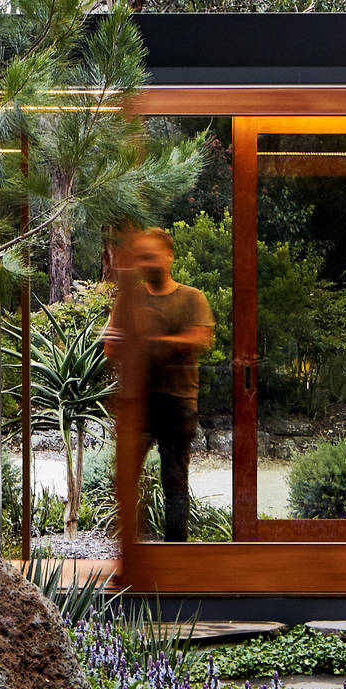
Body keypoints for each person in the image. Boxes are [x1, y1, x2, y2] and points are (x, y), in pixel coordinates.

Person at [103, 228, 216, 541]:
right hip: (137, 402)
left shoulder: (192, 298)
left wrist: (147, 341)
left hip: (177, 402)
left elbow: (198, 339)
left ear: (170, 256)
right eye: (142, 257)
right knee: (125, 481)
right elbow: (112, 348)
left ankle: (175, 559)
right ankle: (132, 559)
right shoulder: (129, 299)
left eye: (152, 256)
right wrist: (114, 343)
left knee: (175, 484)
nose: (147, 263)